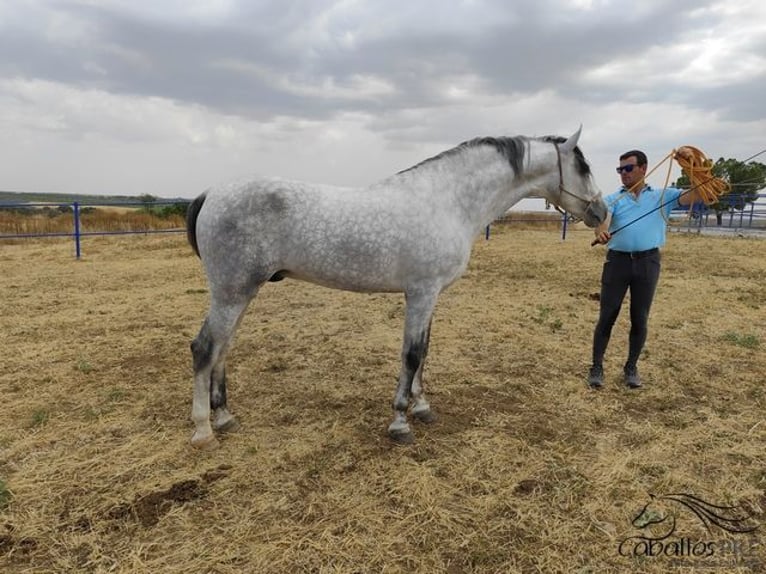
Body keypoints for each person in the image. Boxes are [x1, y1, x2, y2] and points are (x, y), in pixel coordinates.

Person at [588, 148, 699, 389]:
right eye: (620, 170)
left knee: (640, 317)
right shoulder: (613, 199)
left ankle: (631, 367)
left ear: (643, 168)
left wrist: (690, 165)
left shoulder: (662, 196)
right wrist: (601, 232)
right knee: (607, 315)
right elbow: (602, 220)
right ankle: (596, 367)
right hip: (617, 261)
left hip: (649, 262)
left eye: (628, 168)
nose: (623, 174)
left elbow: (699, 194)